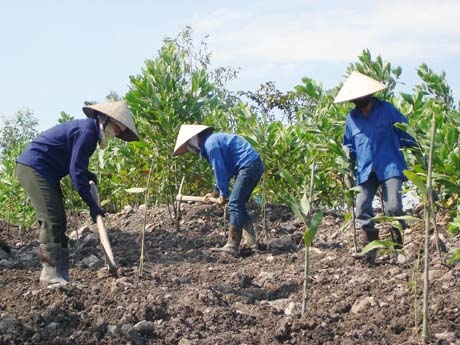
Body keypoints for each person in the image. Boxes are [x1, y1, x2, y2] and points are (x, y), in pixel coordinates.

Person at [16, 101, 139, 286]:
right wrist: (92, 205)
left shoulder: (87, 131)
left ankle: (61, 276)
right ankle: (50, 275)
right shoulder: (87, 132)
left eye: (118, 132)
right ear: (104, 120)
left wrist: (88, 175)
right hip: (34, 167)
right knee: (52, 219)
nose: (115, 134)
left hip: (44, 170)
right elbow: (76, 174)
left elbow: (76, 164)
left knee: (59, 220)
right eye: (115, 128)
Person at [334, 71, 416, 265]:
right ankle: (372, 246)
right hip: (365, 169)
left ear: (369, 94)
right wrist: (346, 166)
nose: (357, 100)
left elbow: (405, 131)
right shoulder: (351, 119)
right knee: (361, 207)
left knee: (393, 207)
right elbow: (350, 146)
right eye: (354, 97)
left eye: (360, 96)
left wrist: (418, 151)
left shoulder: (387, 110)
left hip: (390, 165)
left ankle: (399, 248)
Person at [173, 124, 264, 257]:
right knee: (238, 204)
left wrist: (223, 194)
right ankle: (251, 243)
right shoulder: (212, 142)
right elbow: (223, 171)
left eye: (188, 148)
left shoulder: (211, 145)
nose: (190, 151)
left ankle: (232, 246)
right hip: (252, 165)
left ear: (193, 142)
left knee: (234, 204)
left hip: (248, 166)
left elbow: (220, 170)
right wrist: (214, 193)